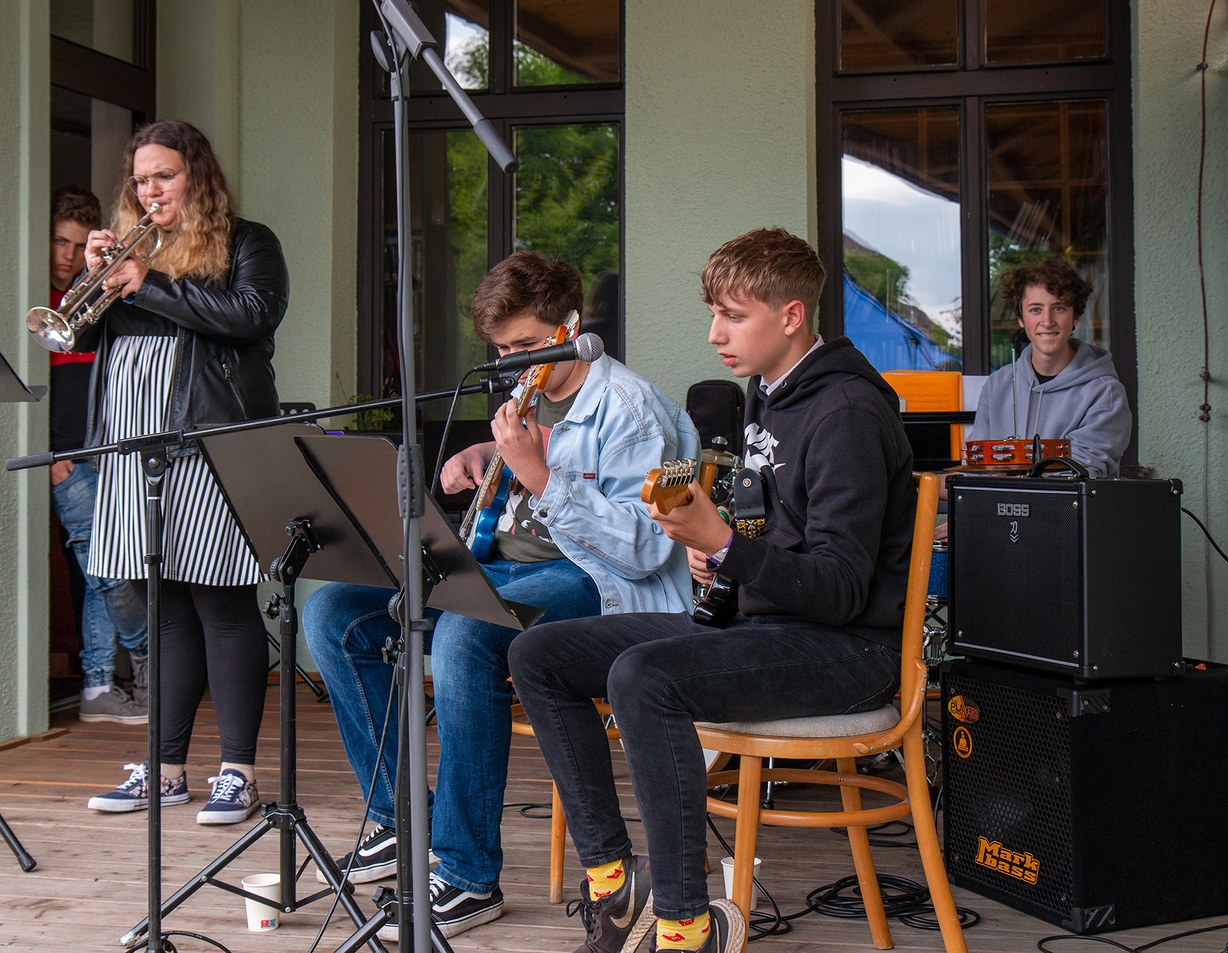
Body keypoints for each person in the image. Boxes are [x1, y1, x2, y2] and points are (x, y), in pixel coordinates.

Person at [507, 227, 916, 953]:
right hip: (769, 628)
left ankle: (685, 925)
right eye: (714, 313)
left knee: (643, 675)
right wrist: (719, 554)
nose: (714, 333)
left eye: (733, 315)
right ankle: (615, 880)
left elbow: (844, 589)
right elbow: (772, 539)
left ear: (791, 316)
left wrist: (724, 546)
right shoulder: (767, 394)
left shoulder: (847, 413)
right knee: (539, 654)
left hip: (847, 650)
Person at [302, 249, 698, 939]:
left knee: (465, 631)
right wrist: (489, 463)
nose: (514, 364)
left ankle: (463, 874)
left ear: (571, 325)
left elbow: (649, 546)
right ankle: (400, 821)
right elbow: (530, 478)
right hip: (504, 564)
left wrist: (540, 476)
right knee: (333, 610)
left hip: (597, 583)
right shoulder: (535, 394)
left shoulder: (631, 409)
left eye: (526, 346)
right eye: (501, 350)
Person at [81, 120, 289, 825]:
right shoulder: (126, 253)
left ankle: (238, 771)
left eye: (163, 175)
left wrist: (149, 284)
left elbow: (252, 315)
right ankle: (164, 769)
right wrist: (92, 276)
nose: (149, 190)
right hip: (132, 443)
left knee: (221, 603)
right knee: (162, 603)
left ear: (196, 176)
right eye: (139, 179)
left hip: (211, 440)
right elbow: (75, 332)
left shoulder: (247, 242)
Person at [46, 185, 149, 724]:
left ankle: (98, 685)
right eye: (58, 241)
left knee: (108, 570)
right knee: (106, 573)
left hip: (108, 452)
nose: (66, 254)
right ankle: (140, 665)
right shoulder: (39, 302)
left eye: (76, 244)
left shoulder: (99, 297)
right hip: (67, 459)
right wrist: (48, 454)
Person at [970, 258, 1131, 478]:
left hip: (1065, 511)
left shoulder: (1105, 393)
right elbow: (977, 471)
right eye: (1035, 310)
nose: (1047, 321)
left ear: (1076, 317)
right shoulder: (997, 385)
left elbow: (1081, 475)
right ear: (1020, 318)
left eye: (1058, 308)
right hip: (1001, 511)